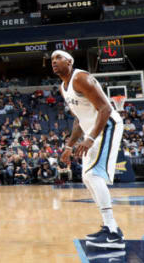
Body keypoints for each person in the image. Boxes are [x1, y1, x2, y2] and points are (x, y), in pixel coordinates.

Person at [53, 50, 125, 250]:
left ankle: (113, 233)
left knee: (93, 175)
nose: (54, 62)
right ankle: (109, 227)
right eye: (52, 60)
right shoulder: (63, 87)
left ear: (69, 61)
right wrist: (69, 146)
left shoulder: (82, 78)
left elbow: (106, 109)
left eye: (58, 58)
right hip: (91, 131)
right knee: (87, 178)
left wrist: (91, 138)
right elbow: (78, 120)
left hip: (107, 125)